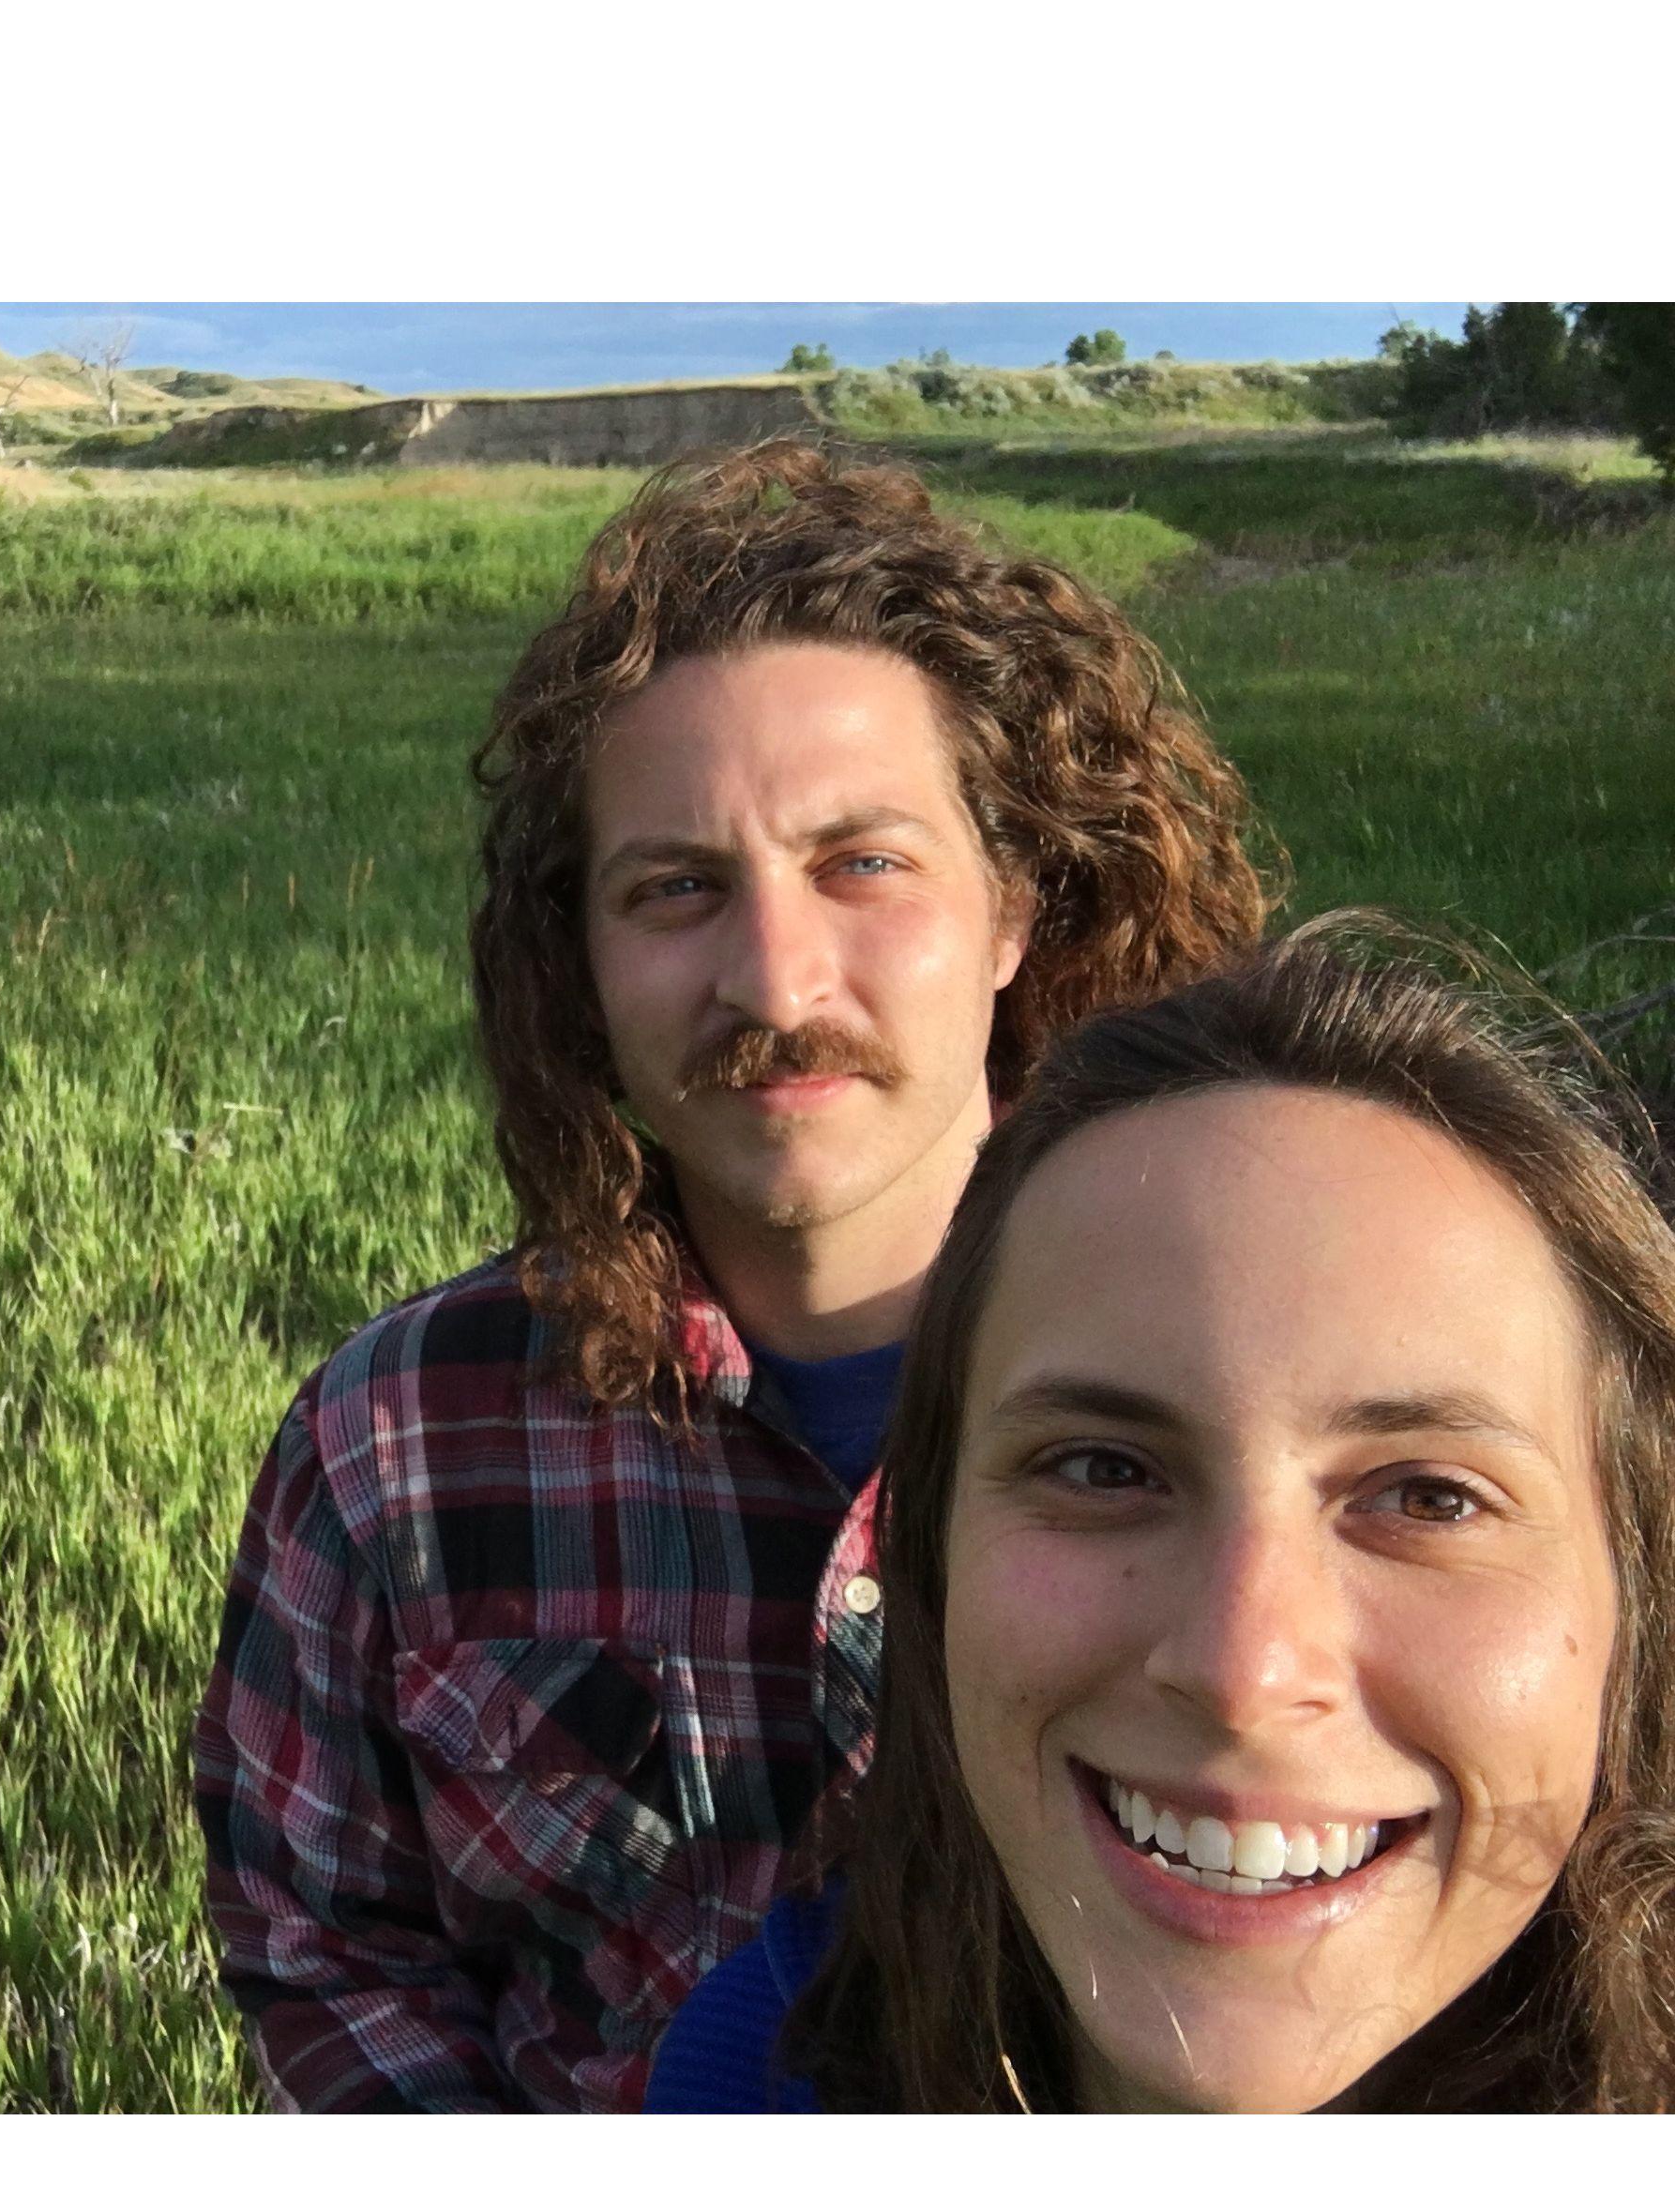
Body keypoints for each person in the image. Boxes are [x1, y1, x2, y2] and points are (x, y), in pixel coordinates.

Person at [192, 439, 1270, 2113]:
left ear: (1012, 912)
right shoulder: (396, 1444)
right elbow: (329, 1942)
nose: (773, 975)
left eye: (865, 862)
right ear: (582, 963)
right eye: (677, 887)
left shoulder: (1267, 1365)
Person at [646, 921, 1675, 2113]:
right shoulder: (754, 2073)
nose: (1241, 1669)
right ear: (925, 1551)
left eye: (1427, 1497)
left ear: (1635, 1593)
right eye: (1102, 1470)